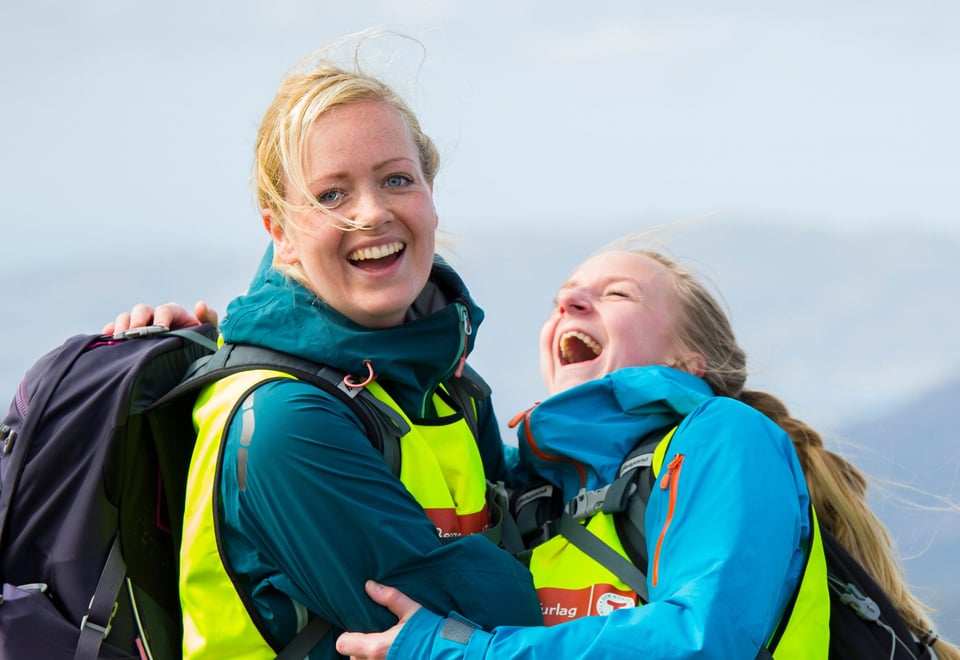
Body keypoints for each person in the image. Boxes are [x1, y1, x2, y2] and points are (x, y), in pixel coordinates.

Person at [107, 40, 543, 659]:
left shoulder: (442, 381)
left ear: (430, 193)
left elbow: (524, 536)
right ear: (280, 233)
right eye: (332, 195)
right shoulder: (287, 421)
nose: (373, 213)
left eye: (397, 179)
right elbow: (504, 626)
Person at [335, 246, 959, 659]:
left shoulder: (723, 438)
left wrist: (450, 651)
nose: (570, 305)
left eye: (618, 295)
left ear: (689, 362)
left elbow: (701, 642)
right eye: (564, 296)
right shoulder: (530, 493)